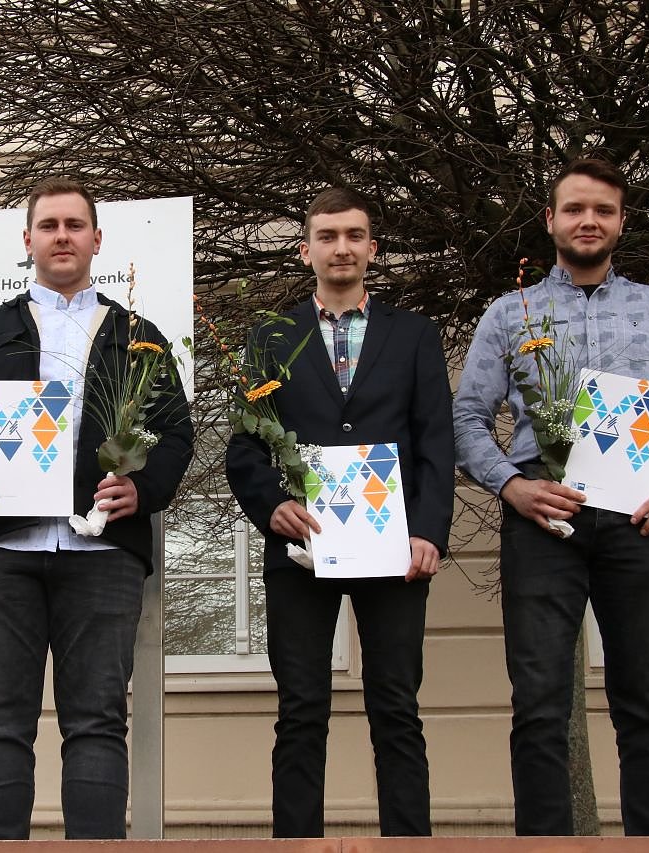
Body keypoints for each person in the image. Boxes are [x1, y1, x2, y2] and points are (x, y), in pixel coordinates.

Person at [0, 176, 193, 839]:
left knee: (97, 722)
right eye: (49, 225)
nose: (62, 236)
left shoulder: (139, 336)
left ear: (97, 239)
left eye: (74, 225)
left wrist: (144, 488)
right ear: (27, 240)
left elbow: (176, 434)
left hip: (102, 551)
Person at [453, 157, 649, 836]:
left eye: (603, 210)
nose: (588, 221)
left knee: (644, 704)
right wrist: (512, 486)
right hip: (544, 522)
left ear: (621, 222)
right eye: (575, 209)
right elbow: (467, 419)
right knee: (539, 706)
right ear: (551, 220)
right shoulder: (510, 313)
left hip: (642, 521)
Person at [226, 187, 454, 837]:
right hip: (303, 547)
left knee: (397, 708)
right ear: (306, 251)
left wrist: (428, 532)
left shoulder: (415, 335)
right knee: (301, 710)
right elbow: (244, 445)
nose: (342, 247)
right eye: (327, 236)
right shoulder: (271, 337)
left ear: (372, 248)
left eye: (354, 235)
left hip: (393, 549)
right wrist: (272, 505)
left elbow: (436, 442)